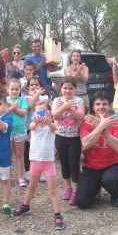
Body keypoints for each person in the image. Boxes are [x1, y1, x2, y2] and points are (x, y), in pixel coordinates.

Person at [13, 100, 65, 230]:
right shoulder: (33, 124)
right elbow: (32, 126)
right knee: (31, 187)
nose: (41, 114)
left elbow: (54, 128)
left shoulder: (51, 125)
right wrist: (36, 121)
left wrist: (48, 121)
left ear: (49, 113)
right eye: (38, 112)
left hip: (48, 162)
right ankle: (25, 206)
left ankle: (58, 214)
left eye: (44, 112)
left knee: (53, 190)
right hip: (35, 161)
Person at [76, 91, 118, 209]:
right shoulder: (86, 124)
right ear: (93, 107)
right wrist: (100, 126)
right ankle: (96, 186)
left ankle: (115, 195)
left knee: (110, 179)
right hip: (91, 167)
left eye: (104, 104)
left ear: (109, 106)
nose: (101, 107)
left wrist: (103, 130)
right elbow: (86, 144)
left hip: (112, 165)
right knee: (82, 203)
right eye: (98, 104)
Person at [52, 76, 85, 205]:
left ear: (75, 89)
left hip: (74, 138)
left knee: (74, 164)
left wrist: (69, 108)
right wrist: (64, 106)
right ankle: (68, 187)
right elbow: (54, 116)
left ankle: (76, 191)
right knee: (64, 163)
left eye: (70, 88)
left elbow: (81, 116)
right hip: (60, 137)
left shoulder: (79, 101)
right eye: (65, 88)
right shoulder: (57, 100)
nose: (67, 91)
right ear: (61, 89)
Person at [24, 76, 48, 182]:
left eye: (36, 85)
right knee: (28, 149)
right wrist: (36, 95)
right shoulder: (25, 98)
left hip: (42, 128)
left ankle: (41, 171)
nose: (34, 87)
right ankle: (28, 171)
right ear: (28, 87)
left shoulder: (45, 97)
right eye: (31, 85)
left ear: (41, 86)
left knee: (41, 148)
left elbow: (43, 106)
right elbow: (30, 106)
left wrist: (37, 95)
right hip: (29, 127)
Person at [6, 78, 29, 187]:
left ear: (20, 90)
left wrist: (14, 108)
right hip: (8, 131)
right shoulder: (5, 100)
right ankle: (7, 177)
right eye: (12, 89)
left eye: (16, 89)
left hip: (19, 130)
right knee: (8, 155)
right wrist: (12, 107)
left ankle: (21, 177)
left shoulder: (22, 100)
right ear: (7, 90)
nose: (14, 91)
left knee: (19, 155)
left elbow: (23, 113)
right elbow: (2, 112)